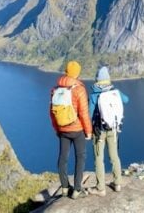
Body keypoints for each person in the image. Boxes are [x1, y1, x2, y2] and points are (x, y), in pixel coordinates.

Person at [50, 60, 93, 199]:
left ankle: (64, 187)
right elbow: (84, 113)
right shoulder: (79, 89)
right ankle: (77, 190)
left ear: (66, 71)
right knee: (80, 157)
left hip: (63, 129)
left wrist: (57, 129)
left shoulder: (56, 89)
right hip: (77, 129)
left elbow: (52, 112)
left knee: (63, 158)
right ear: (77, 73)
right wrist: (88, 131)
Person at [87, 66, 129, 197]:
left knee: (99, 158)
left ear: (97, 79)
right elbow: (127, 100)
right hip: (113, 129)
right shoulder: (114, 91)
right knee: (114, 156)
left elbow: (89, 113)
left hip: (99, 131)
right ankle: (117, 184)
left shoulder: (94, 94)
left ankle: (101, 188)